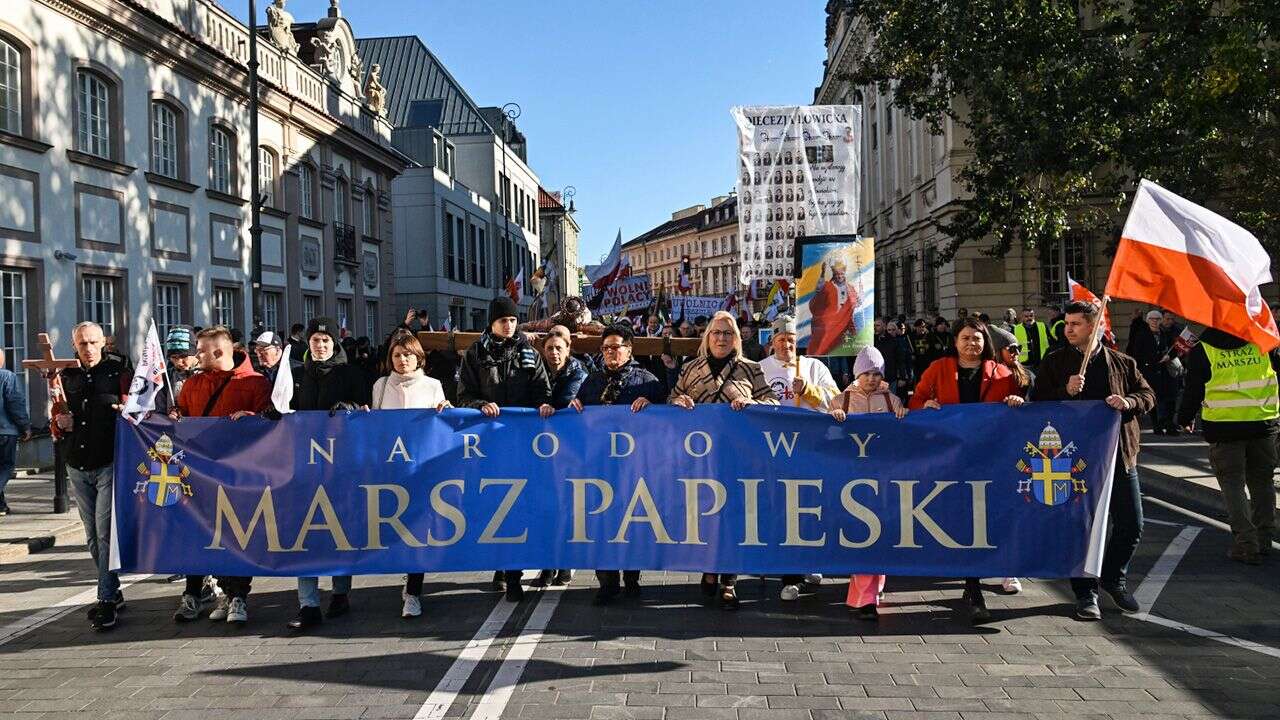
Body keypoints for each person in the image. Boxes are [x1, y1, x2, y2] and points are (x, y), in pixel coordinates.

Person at [1034, 301, 1155, 620]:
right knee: (1082, 527)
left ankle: (1114, 577)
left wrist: (1128, 401)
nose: (1068, 328)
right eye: (1067, 323)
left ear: (1094, 326)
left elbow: (1147, 395)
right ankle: (1085, 593)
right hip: (1074, 461)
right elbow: (1038, 404)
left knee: (1131, 523)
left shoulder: (1122, 362)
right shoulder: (1056, 362)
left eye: (1075, 323)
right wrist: (1065, 389)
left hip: (1117, 456)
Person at [910, 318, 1022, 623]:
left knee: (985, 517)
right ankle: (972, 586)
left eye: (977, 338)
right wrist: (927, 405)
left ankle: (976, 584)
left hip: (989, 456)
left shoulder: (1001, 372)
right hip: (952, 456)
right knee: (962, 518)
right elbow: (916, 399)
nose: (972, 344)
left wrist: (1015, 400)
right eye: (966, 338)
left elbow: (1017, 408)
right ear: (955, 341)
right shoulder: (939, 367)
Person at [670, 311, 779, 609]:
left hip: (738, 456)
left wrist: (753, 403)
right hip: (700, 458)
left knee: (733, 518)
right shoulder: (691, 368)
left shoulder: (750, 368)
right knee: (706, 517)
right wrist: (678, 402)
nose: (721, 338)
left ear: (736, 339)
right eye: (716, 333)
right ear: (708, 337)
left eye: (727, 334)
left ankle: (729, 581)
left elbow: (773, 402)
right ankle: (708, 570)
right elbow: (671, 401)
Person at [169, 326, 271, 625]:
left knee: (237, 535)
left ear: (218, 352)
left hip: (240, 474)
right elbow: (182, 418)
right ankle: (212, 591)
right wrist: (175, 413)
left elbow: (271, 424)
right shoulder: (192, 384)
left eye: (200, 349)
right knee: (203, 533)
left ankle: (237, 596)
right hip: (200, 475)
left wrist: (255, 419)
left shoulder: (254, 383)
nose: (195, 354)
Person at [459, 296, 553, 602]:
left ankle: (514, 574)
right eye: (503, 320)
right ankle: (501, 563)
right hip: (489, 441)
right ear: (492, 322)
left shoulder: (528, 351)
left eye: (513, 320)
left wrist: (543, 406)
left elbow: (543, 389)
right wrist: (480, 404)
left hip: (522, 441)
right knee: (493, 503)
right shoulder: (476, 352)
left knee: (520, 504)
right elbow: (463, 395)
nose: (509, 325)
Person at [286, 317, 373, 631]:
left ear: (334, 343)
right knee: (303, 532)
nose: (320, 346)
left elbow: (366, 411)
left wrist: (349, 407)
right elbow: (284, 408)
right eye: (315, 341)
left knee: (339, 529)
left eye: (325, 341)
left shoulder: (350, 372)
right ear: (307, 344)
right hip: (304, 466)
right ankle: (308, 603)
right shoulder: (297, 374)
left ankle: (340, 592)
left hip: (341, 466)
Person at [571, 323, 666, 604]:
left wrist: (651, 403)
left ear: (629, 349)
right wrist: (574, 407)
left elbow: (667, 414)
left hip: (635, 467)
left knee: (632, 522)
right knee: (603, 523)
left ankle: (632, 577)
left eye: (616, 347)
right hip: (599, 467)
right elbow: (577, 409)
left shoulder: (647, 380)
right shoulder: (592, 381)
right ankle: (607, 582)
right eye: (606, 348)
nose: (610, 353)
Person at [1177, 328, 1278, 565]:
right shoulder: (1261, 342)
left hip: (1224, 428)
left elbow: (1194, 389)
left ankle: (1246, 544)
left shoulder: (1204, 349)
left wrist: (1184, 418)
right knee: (1263, 483)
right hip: (1262, 425)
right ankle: (1264, 539)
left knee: (1233, 486)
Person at [758, 315, 839, 600]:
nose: (786, 344)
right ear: (773, 342)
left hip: (811, 446)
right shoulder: (761, 369)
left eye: (791, 340)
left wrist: (809, 391)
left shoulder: (814, 367)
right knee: (782, 507)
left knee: (811, 504)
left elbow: (836, 401)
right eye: (781, 339)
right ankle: (789, 574)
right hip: (775, 449)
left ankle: (812, 562)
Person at [371, 331, 451, 616]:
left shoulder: (432, 385)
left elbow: (441, 424)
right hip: (392, 469)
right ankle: (406, 576)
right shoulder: (380, 386)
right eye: (397, 355)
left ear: (418, 358)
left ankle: (414, 592)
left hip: (421, 467)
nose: (402, 360)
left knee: (417, 529)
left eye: (408, 355)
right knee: (395, 527)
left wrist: (446, 411)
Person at [58, 322, 128, 631]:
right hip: (77, 462)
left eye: (93, 342)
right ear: (75, 345)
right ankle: (112, 589)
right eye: (82, 343)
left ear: (103, 343)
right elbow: (56, 417)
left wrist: (125, 409)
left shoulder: (118, 372)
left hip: (108, 461)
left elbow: (135, 411)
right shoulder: (66, 376)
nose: (87, 348)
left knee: (103, 533)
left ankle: (106, 600)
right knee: (91, 536)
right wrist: (59, 422)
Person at [830, 345, 905, 620]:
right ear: (857, 374)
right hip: (853, 479)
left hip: (884, 476)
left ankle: (875, 588)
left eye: (876, 373)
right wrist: (834, 420)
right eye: (866, 373)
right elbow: (828, 438)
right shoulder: (842, 400)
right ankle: (863, 599)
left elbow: (903, 434)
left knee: (882, 532)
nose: (872, 378)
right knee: (862, 534)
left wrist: (904, 416)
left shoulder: (892, 400)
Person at [534, 327, 587, 587]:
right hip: (541, 448)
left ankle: (565, 562)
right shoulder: (536, 370)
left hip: (569, 449)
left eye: (559, 348)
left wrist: (547, 405)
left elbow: (565, 400)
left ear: (568, 349)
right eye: (549, 348)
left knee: (566, 505)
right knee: (545, 506)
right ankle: (547, 564)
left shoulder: (578, 372)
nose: (554, 353)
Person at [989, 325, 1033, 594]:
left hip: (1016, 453)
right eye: (1011, 348)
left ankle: (1010, 569)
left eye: (1018, 348)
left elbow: (1041, 406)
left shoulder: (1026, 376)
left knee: (1010, 510)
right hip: (989, 451)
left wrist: (1023, 403)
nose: (1016, 353)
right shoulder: (989, 377)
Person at [1127, 310, 1176, 434]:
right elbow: (1137, 354)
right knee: (1153, 397)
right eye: (1152, 319)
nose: (1155, 321)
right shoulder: (1142, 334)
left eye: (1158, 319)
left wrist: (1168, 357)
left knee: (1169, 398)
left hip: (1165, 371)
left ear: (1161, 321)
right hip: (1150, 371)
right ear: (1148, 320)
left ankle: (1169, 424)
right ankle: (1157, 425)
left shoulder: (1166, 334)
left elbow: (1174, 349)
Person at [0, 349, 30, 515]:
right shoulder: (6, 376)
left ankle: (1, 506)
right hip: (5, 431)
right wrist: (25, 426)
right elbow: (14, 402)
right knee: (6, 467)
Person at [807, 259, 858, 355]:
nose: (840, 276)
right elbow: (819, 289)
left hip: (845, 323)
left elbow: (854, 305)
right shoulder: (827, 286)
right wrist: (822, 273)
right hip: (829, 325)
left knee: (845, 352)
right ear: (834, 275)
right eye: (837, 274)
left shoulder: (850, 288)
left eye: (842, 274)